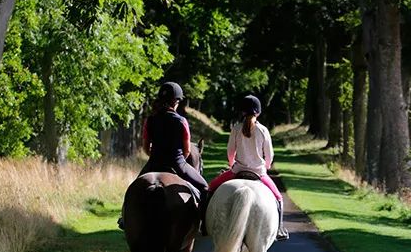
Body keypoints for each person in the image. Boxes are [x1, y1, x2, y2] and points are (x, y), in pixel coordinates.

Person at [118, 82, 209, 229]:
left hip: (154, 163)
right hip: (178, 164)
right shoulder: (181, 121)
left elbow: (146, 148)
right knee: (205, 188)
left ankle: (124, 218)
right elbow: (186, 151)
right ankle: (203, 224)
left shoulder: (150, 120)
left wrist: (155, 156)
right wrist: (179, 160)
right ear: (176, 102)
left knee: (132, 189)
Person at [208, 95, 289, 241]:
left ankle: (204, 223)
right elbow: (269, 154)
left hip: (237, 170)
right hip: (259, 173)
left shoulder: (236, 129)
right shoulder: (263, 130)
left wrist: (231, 163)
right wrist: (267, 165)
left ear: (242, 112)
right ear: (258, 112)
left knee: (211, 188)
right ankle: (279, 229)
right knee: (278, 198)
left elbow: (230, 152)